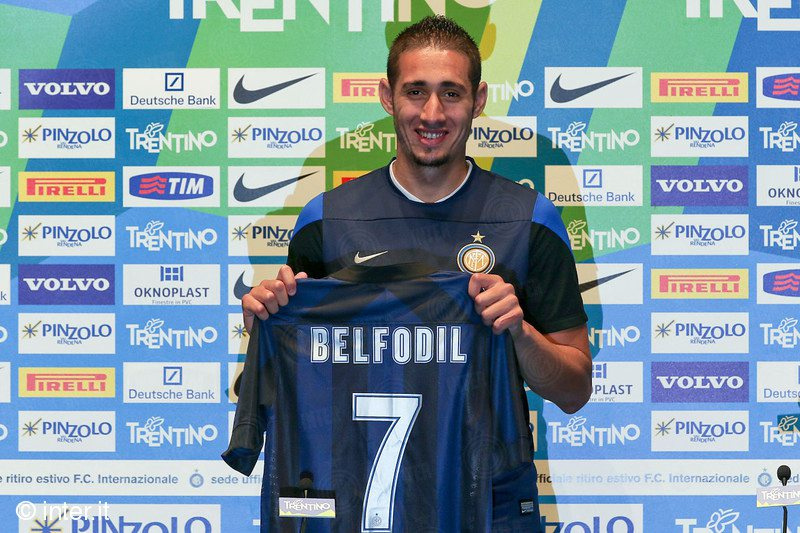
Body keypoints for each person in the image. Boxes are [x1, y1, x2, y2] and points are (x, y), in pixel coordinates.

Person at [241, 15, 591, 530]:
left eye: (451, 93)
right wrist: (265, 328)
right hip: (357, 504)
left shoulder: (529, 220)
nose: (432, 113)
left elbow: (574, 390)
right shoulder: (327, 221)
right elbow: (287, 392)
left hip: (489, 505)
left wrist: (518, 332)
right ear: (388, 97)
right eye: (415, 91)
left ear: (478, 100)